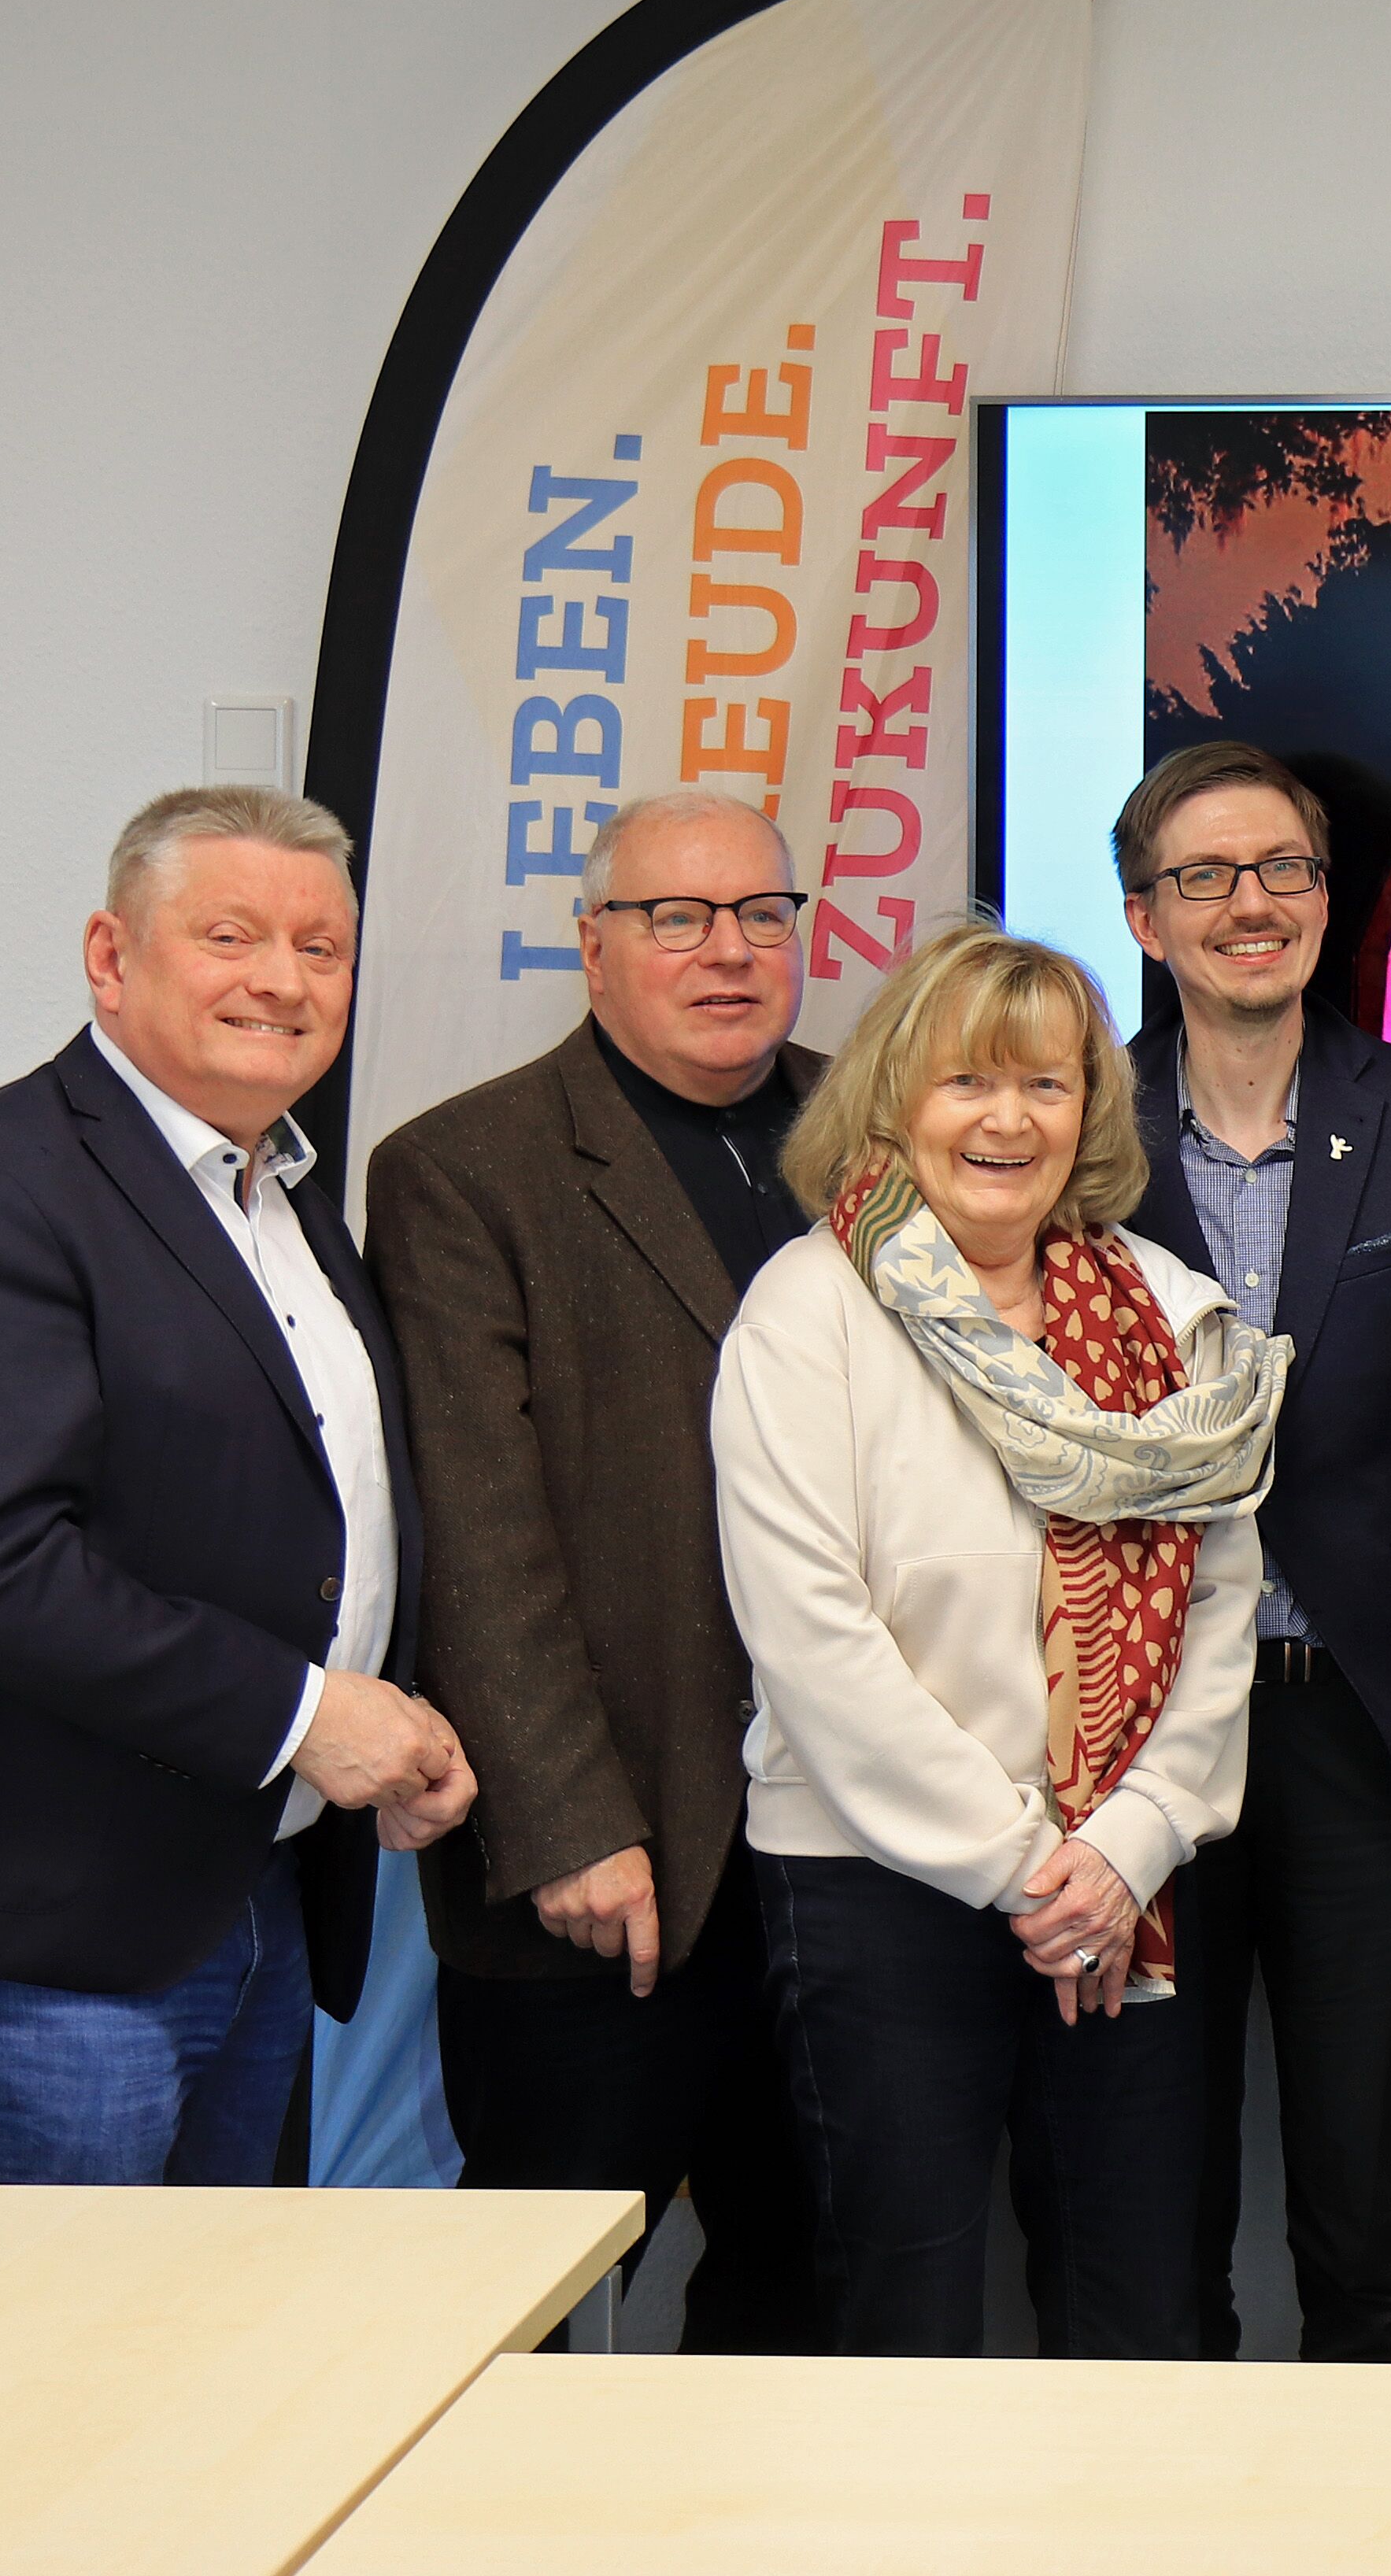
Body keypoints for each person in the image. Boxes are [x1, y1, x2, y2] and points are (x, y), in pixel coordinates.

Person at [0, 785, 473, 2183]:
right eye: (230, 936)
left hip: (256, 1884)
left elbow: (307, 1510)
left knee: (207, 2318)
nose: (282, 980)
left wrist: (389, 1718)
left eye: (321, 949)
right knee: (52, 2327)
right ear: (111, 956)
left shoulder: (286, 1199)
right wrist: (311, 1715)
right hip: (39, 1925)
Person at [712, 922, 1291, 2355]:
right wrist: (1030, 1867)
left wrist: (1130, 1843)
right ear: (893, 1099)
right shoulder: (807, 1312)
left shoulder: (1167, 1314)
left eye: (1046, 1084)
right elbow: (812, 1637)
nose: (1009, 1119)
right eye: (968, 1080)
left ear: (1090, 1111)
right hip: (875, 1884)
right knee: (903, 2306)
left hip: (1124, 1879)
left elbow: (1221, 1607)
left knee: (1135, 2305)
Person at [1107, 741, 1391, 2365]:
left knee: (1366, 2222)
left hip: (1366, 1726)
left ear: (1324, 895)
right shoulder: (1070, 1129)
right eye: (1205, 876)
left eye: (1282, 868)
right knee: (1147, 2211)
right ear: (1145, 918)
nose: (1251, 903)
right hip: (1130, 1734)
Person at [368, 787, 824, 2348]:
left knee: (809, 2302)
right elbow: (476, 1534)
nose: (727, 949)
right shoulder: (464, 1168)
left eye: (761, 913)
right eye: (674, 916)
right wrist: (568, 1823)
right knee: (540, 2325)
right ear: (592, 947)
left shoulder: (881, 1132)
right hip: (603, 1868)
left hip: (851, 1848)